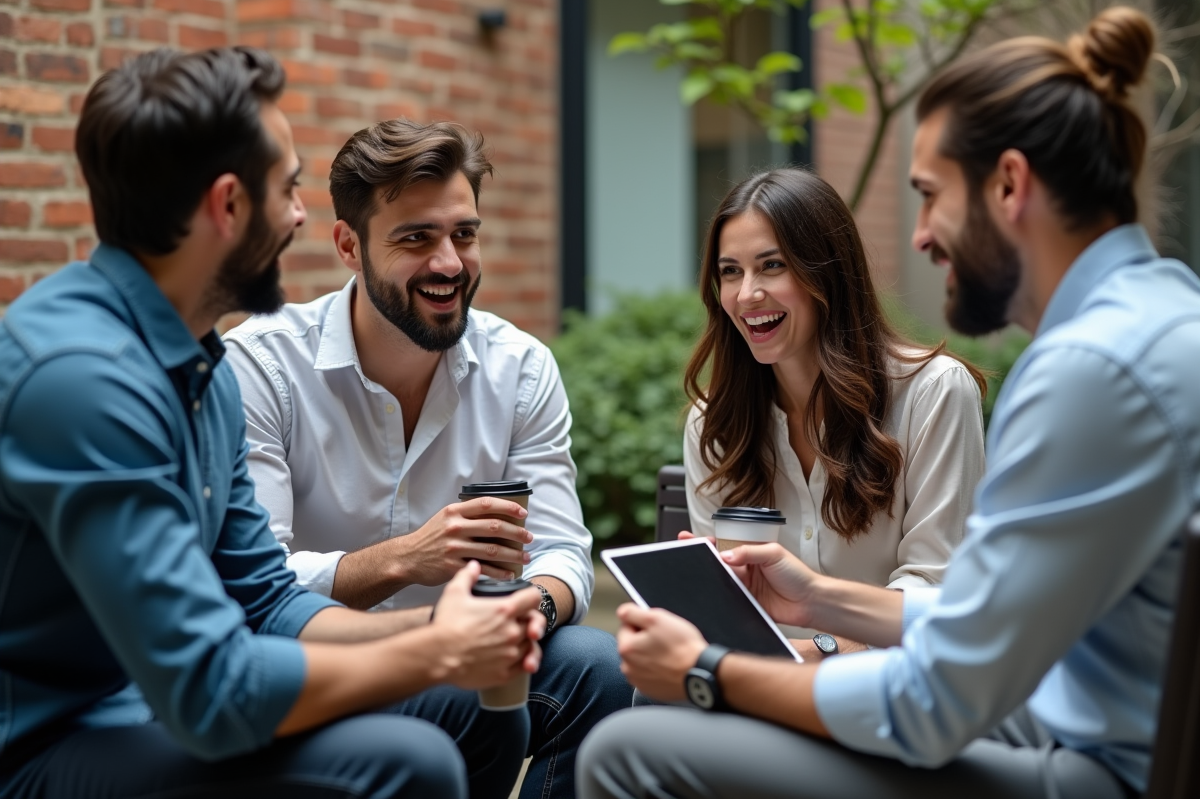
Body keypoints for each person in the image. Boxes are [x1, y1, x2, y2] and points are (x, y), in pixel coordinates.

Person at [579, 6, 1200, 798]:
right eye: (730, 274)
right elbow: (987, 628)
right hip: (1076, 715)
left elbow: (935, 701)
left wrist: (712, 674)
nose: (920, 237)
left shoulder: (1088, 370)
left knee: (627, 750)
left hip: (1089, 765)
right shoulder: (1167, 314)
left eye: (929, 195)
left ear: (1009, 184)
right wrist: (822, 598)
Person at [0, 47, 546, 799]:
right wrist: (436, 652)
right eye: (287, 188)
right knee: (405, 762)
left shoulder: (200, 363)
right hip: (47, 742)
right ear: (228, 205)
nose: (298, 215)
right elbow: (211, 695)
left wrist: (448, 630)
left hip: (156, 707)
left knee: (479, 715)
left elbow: (267, 601)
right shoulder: (82, 381)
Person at [223, 117, 631, 799]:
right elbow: (253, 581)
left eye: (463, 235)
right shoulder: (262, 366)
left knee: (601, 668)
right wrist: (406, 559)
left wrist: (520, 610)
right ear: (349, 246)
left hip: (469, 655)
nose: (448, 263)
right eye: (416, 238)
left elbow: (563, 553)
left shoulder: (521, 369)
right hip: (315, 668)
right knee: (475, 702)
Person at [681, 167, 987, 654]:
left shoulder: (935, 393)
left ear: (827, 272)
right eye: (730, 271)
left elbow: (936, 593)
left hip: (891, 692)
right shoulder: (713, 423)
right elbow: (727, 614)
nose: (746, 294)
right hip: (757, 690)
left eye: (773, 265)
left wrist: (811, 654)